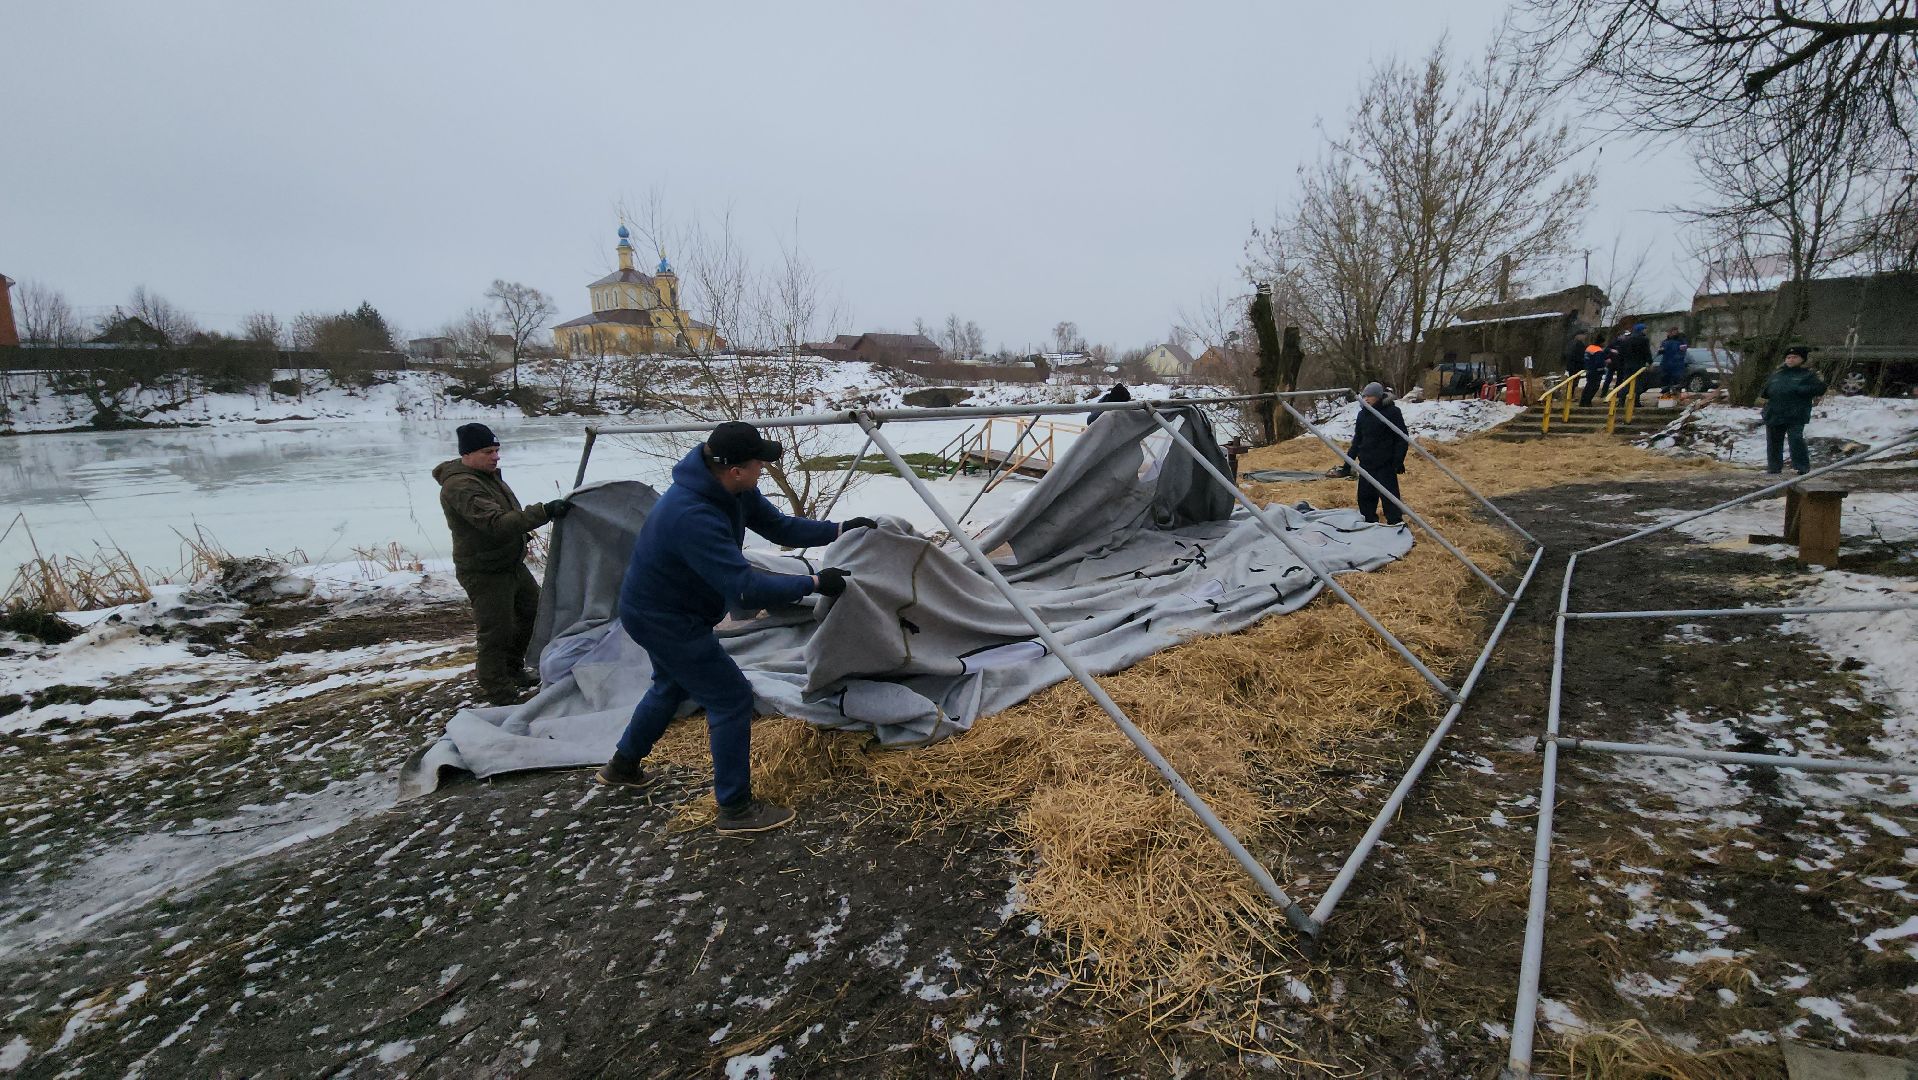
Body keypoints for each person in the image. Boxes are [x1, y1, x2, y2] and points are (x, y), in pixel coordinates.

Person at [596, 421, 877, 835]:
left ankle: (622, 766)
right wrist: (815, 583)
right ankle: (736, 810)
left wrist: (838, 529)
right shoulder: (692, 514)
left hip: (668, 610)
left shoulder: (731, 489)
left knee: (670, 686)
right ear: (735, 470)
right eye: (758, 464)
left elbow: (780, 527)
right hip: (664, 618)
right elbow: (745, 589)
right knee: (730, 698)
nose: (763, 469)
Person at [434, 423, 570, 705]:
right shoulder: (461, 486)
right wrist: (543, 512)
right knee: (496, 630)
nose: (496, 457)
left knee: (534, 614)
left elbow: (507, 515)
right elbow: (497, 523)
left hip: (510, 564)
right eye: (488, 451)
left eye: (496, 450)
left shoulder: (487, 475)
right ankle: (497, 689)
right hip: (484, 570)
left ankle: (512, 670)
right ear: (468, 454)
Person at [1758, 346, 1827, 475]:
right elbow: (1765, 391)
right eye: (1788, 357)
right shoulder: (1778, 374)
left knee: (1796, 439)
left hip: (1796, 413)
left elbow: (1820, 388)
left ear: (1802, 359)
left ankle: (1802, 467)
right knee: (1773, 441)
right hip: (1775, 412)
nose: (1790, 360)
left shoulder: (1808, 374)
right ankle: (1774, 467)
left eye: (1794, 357)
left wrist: (1801, 390)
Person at [1348, 382, 1409, 526]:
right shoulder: (1363, 414)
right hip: (1366, 463)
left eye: (1370, 396)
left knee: (1390, 496)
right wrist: (1348, 462)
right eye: (1364, 396)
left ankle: (1395, 523)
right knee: (1365, 496)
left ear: (1378, 397)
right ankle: (1368, 522)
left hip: (1385, 463)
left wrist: (1397, 461)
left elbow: (1401, 438)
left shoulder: (1392, 412)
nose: (1366, 399)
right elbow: (1357, 439)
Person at [1657, 328, 1689, 395]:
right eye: (1670, 332)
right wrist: (1661, 351)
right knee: (1665, 380)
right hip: (1666, 364)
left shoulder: (1681, 341)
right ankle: (1666, 394)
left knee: (1677, 381)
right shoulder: (1665, 342)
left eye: (1674, 332)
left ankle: (1676, 395)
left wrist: (1678, 357)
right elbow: (1661, 351)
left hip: (1677, 365)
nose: (1671, 333)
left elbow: (1683, 351)